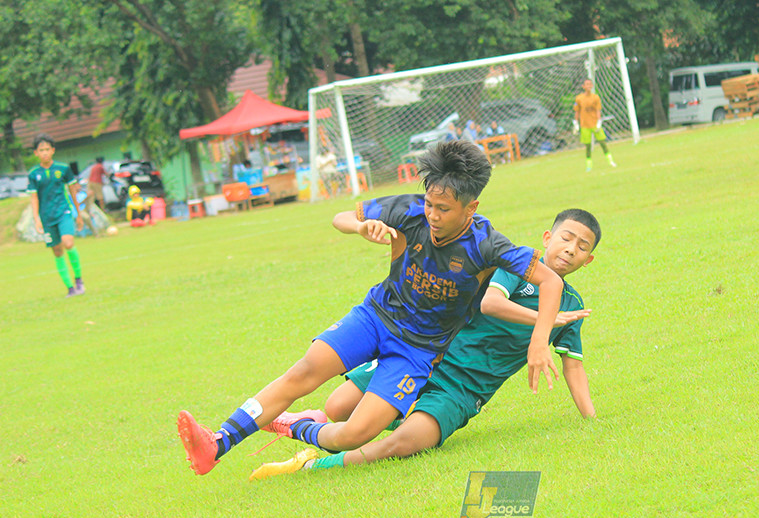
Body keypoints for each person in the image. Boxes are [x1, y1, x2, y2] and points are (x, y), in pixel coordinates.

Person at [176, 140, 564, 476]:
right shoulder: (410, 209)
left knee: (353, 434)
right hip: (375, 317)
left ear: (471, 207)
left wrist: (539, 341)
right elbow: (341, 217)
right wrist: (360, 227)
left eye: (444, 209)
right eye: (430, 203)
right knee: (305, 371)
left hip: (417, 351)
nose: (432, 215)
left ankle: (293, 425)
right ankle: (217, 443)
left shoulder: (487, 244)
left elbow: (551, 282)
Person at [249, 209, 601, 479]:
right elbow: (490, 303)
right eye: (566, 239)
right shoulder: (518, 266)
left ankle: (310, 464)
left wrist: (592, 421)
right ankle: (311, 421)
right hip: (425, 356)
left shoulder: (572, 306)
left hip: (463, 390)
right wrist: (545, 320)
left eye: (582, 247)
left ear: (588, 260)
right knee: (339, 405)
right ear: (547, 238)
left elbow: (573, 365)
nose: (571, 249)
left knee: (406, 442)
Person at [27, 134, 86, 297]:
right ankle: (70, 288)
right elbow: (34, 198)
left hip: (63, 212)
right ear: (36, 153)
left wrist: (78, 214)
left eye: (47, 149)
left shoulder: (63, 169)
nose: (45, 153)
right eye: (41, 150)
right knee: (57, 251)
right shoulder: (33, 174)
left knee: (68, 242)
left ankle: (79, 280)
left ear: (53, 150)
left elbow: (73, 191)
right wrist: (37, 219)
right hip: (47, 217)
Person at [574, 78, 615, 172]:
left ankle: (610, 161)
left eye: (590, 84)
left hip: (594, 124)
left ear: (592, 86)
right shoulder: (579, 98)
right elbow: (577, 111)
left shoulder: (595, 97)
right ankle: (589, 165)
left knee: (603, 143)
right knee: (588, 146)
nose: (589, 86)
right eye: (587, 84)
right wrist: (576, 123)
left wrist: (599, 122)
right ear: (583, 86)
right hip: (585, 125)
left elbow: (598, 110)